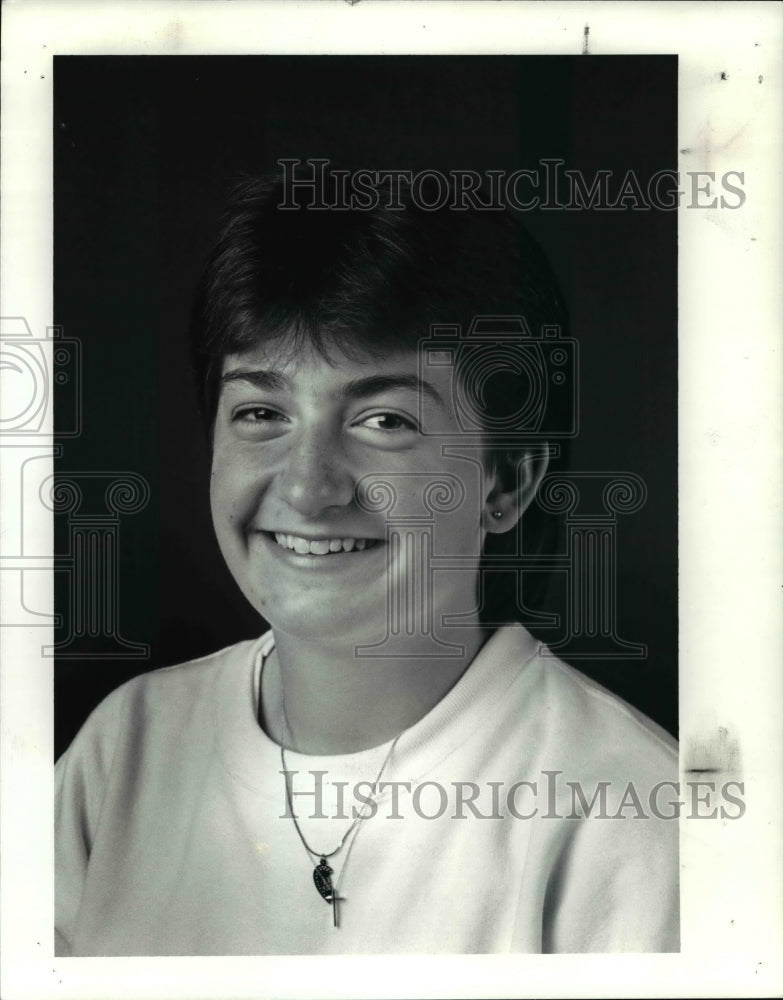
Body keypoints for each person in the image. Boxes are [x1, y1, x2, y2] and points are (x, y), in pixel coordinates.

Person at [55, 170, 679, 955]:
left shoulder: (627, 814)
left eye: (385, 420)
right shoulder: (127, 746)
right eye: (260, 413)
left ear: (508, 481)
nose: (308, 486)